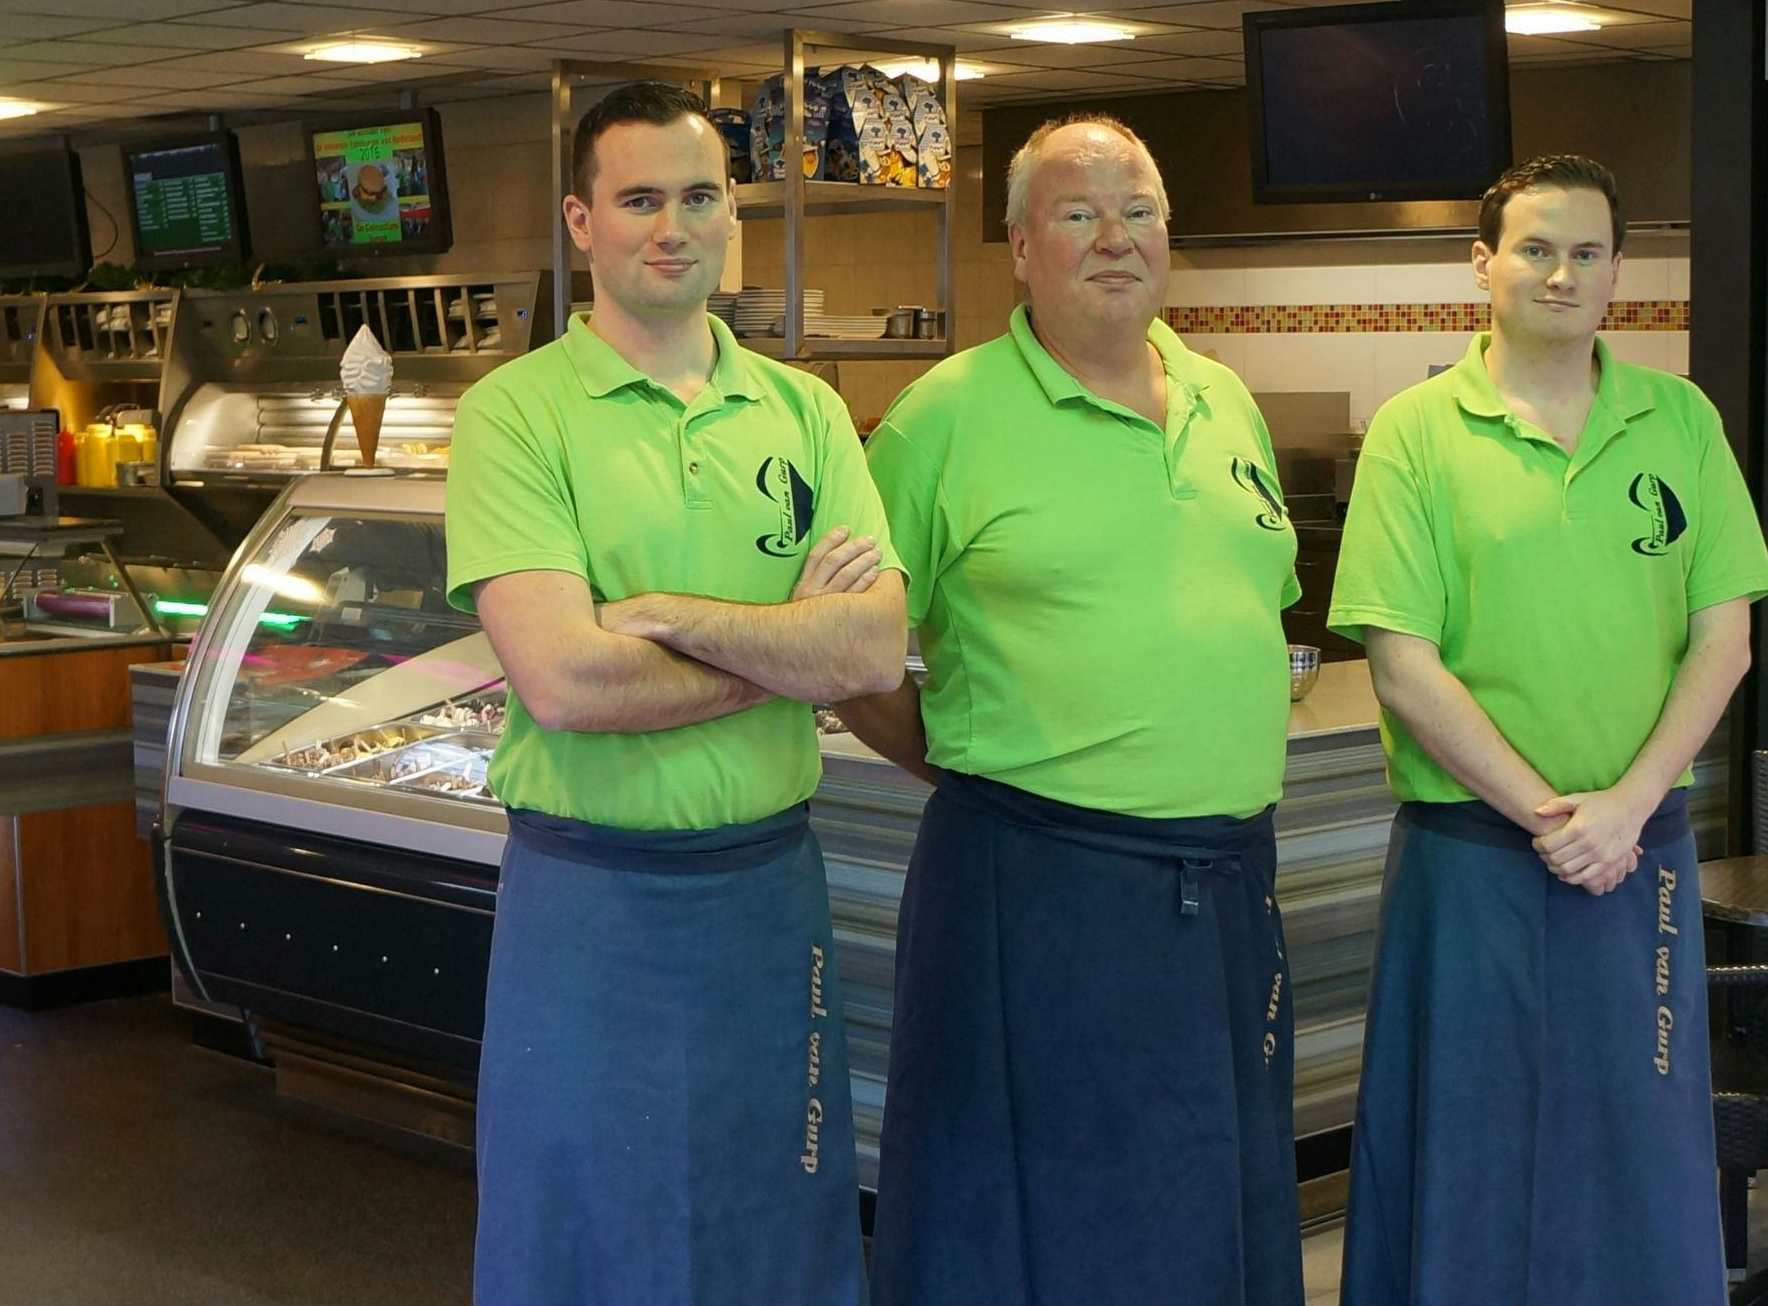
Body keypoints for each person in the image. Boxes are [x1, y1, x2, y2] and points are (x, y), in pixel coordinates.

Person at [445, 82, 906, 1306]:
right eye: (638, 198)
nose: (671, 226)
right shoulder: (514, 414)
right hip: (589, 903)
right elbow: (566, 680)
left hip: (767, 895)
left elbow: (868, 653)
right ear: (579, 221)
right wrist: (781, 646)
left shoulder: (804, 409)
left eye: (698, 196)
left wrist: (671, 618)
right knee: (587, 1235)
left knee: (775, 1229)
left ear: (731, 216)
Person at [837, 116, 1306, 1306]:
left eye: (1137, 209)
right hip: (1033, 892)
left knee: (1204, 1212)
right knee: (1030, 1226)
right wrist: (980, 769)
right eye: (1077, 212)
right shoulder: (940, 418)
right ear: (1016, 246)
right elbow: (853, 657)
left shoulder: (1224, 399)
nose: (1114, 238)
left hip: (1227, 886)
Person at [1330, 154, 1768, 1306]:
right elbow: (1401, 664)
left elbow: (1720, 642)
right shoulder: (1415, 432)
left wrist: (1621, 811)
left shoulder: (1678, 421)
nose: (1560, 272)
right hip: (1472, 854)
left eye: (1585, 251)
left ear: (1618, 271)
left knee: (1640, 1139)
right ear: (1481, 266)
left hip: (1640, 853)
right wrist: (1551, 817)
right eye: (1533, 248)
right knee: (1465, 1142)